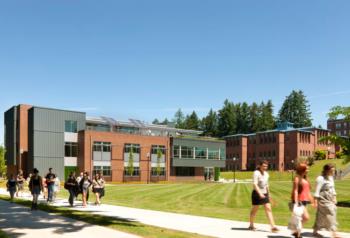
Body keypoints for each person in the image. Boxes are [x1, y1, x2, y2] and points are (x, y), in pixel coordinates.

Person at [249, 160, 279, 233]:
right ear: (260, 166)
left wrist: (268, 194)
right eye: (264, 166)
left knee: (268, 208)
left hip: (264, 193)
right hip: (256, 194)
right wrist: (260, 193)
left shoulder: (266, 174)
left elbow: (266, 185)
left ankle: (273, 226)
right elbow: (255, 184)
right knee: (254, 211)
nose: (265, 168)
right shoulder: (256, 173)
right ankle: (251, 225)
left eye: (266, 166)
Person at [313, 164, 340, 238]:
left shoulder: (331, 178)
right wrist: (315, 201)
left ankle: (315, 231)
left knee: (321, 215)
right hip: (323, 198)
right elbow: (317, 190)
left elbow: (333, 189)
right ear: (327, 170)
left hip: (330, 198)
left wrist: (334, 197)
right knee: (331, 212)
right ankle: (334, 232)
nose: (333, 172)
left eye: (334, 170)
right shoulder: (320, 178)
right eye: (332, 170)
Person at [289, 163, 315, 238]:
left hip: (304, 201)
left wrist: (312, 201)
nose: (308, 170)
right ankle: (297, 233)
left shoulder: (305, 179)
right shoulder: (297, 178)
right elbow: (295, 191)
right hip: (299, 201)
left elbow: (308, 192)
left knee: (304, 218)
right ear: (302, 170)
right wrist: (296, 201)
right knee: (305, 217)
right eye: (307, 169)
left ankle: (296, 231)